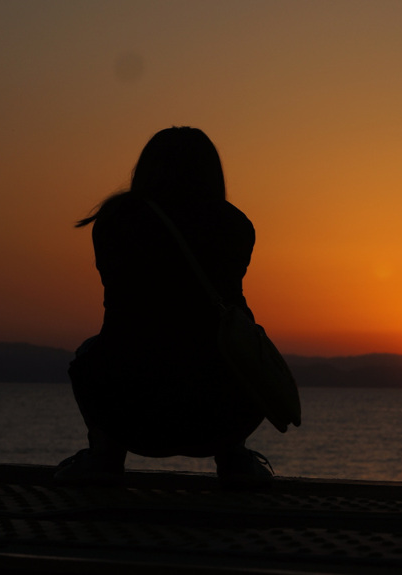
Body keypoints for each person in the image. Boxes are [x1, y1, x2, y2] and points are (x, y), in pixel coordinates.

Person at [57, 127, 273, 488]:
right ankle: (234, 458)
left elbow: (121, 301)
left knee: (90, 352)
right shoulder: (235, 225)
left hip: (131, 413)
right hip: (221, 416)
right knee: (246, 346)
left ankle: (104, 457)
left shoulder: (117, 221)